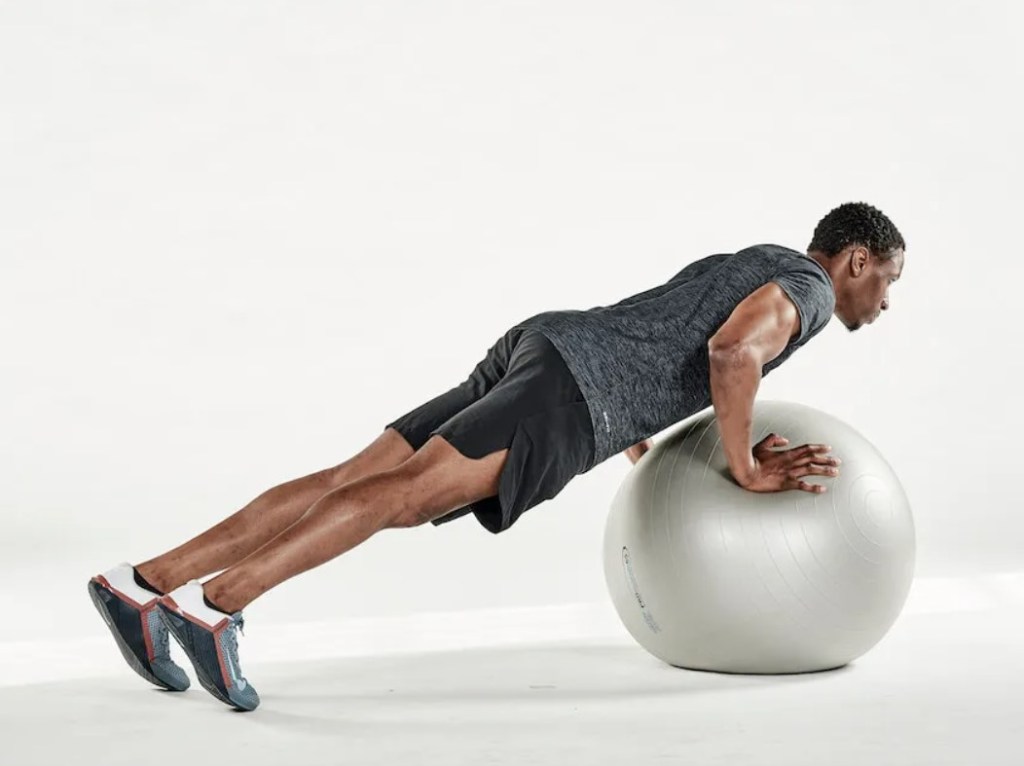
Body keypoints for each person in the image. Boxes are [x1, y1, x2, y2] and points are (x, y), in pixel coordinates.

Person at [88, 200, 906, 710]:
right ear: (855, 261)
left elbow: (671, 328)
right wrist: (746, 466)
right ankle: (220, 603)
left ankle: (145, 586)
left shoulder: (763, 257)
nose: (885, 301)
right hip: (575, 389)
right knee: (403, 497)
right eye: (887, 281)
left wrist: (635, 424)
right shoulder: (808, 292)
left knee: (354, 478)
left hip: (549, 344)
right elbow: (732, 356)